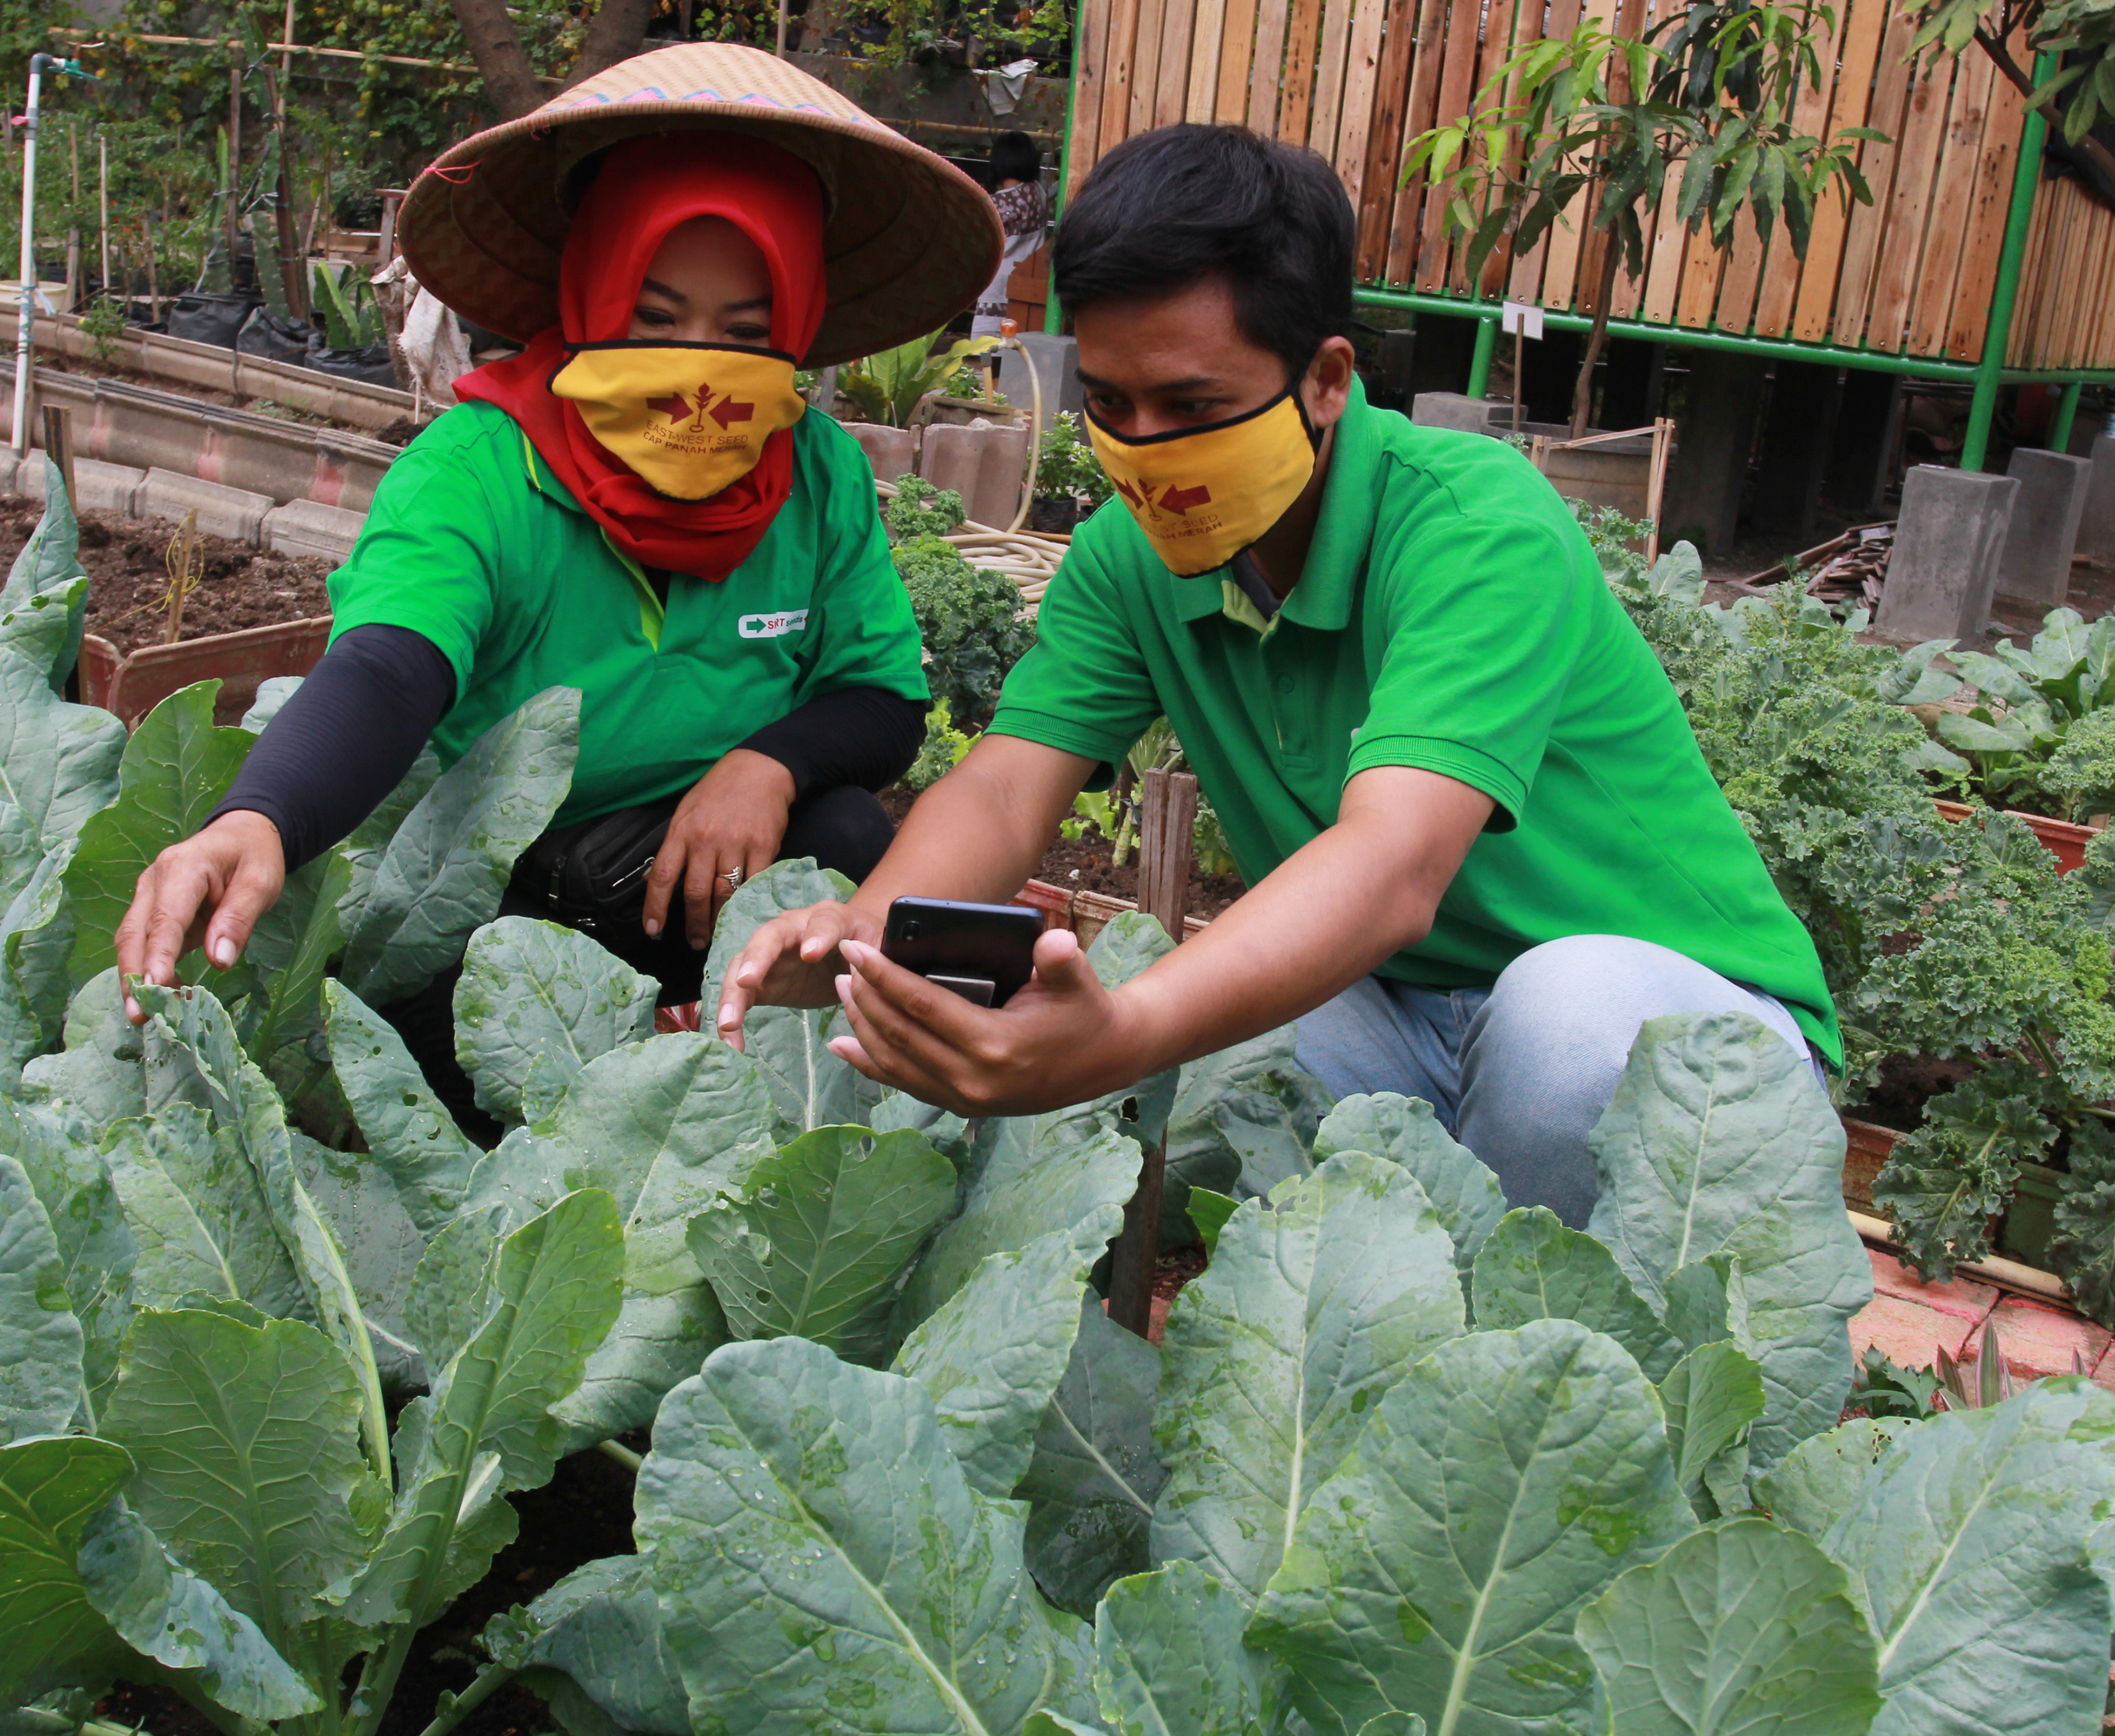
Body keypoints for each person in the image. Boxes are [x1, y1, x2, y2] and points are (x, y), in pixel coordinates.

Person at [718, 123, 1838, 1226]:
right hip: (1406, 1019)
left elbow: (1396, 864)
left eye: (1194, 406)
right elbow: (1010, 785)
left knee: (1563, 1022)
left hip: (1695, 1057)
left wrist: (1122, 1031)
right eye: (1111, 404)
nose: (1147, 450)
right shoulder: (1132, 556)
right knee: (1218, 1087)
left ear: (1327, 379)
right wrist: (866, 930)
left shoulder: (1473, 525)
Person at [114, 43, 1005, 1127]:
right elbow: (392, 667)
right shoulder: (480, 470)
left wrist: (768, 762)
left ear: (799, 333)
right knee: (457, 1115)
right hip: (506, 893)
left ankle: (857, 1126)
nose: (698, 373)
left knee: (859, 842)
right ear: (590, 296)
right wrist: (259, 817)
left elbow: (884, 703)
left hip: (719, 874)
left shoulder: (818, 474)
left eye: (745, 335)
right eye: (656, 318)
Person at [972, 130, 1049, 341]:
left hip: (999, 284)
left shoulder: (996, 205)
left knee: (989, 350)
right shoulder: (1037, 193)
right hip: (1031, 278)